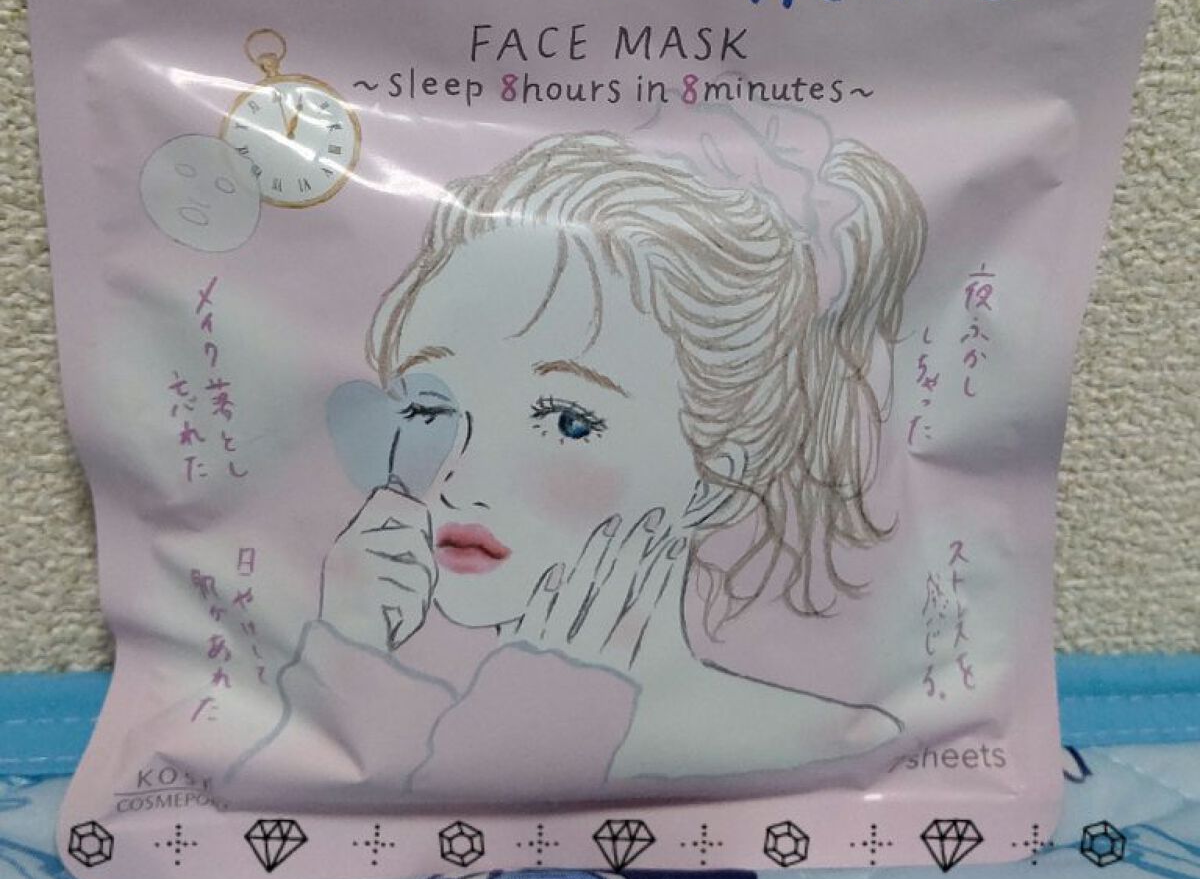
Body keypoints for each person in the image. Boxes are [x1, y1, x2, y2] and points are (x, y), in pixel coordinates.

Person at [235, 106, 926, 805]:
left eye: (568, 422)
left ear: (720, 475)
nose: (457, 480)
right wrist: (348, 658)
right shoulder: (382, 715)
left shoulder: (828, 753)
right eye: (430, 408)